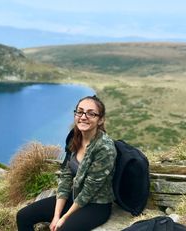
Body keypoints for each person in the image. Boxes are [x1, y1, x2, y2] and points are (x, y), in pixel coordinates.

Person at [16, 95, 117, 231]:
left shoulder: (105, 148)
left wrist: (64, 218)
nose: (83, 116)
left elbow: (89, 190)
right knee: (23, 216)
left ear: (100, 120)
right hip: (73, 197)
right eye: (80, 112)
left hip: (95, 205)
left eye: (91, 113)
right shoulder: (75, 137)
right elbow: (66, 176)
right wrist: (56, 215)